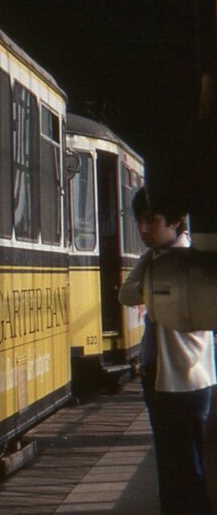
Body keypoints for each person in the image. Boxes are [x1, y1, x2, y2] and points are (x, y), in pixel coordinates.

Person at [120, 184, 216, 514]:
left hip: (183, 383)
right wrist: (148, 260)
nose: (143, 229)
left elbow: (135, 293)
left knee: (184, 471)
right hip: (163, 378)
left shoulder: (187, 261)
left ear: (175, 221)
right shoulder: (158, 259)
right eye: (140, 221)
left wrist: (148, 266)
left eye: (152, 220)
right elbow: (126, 295)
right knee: (173, 469)